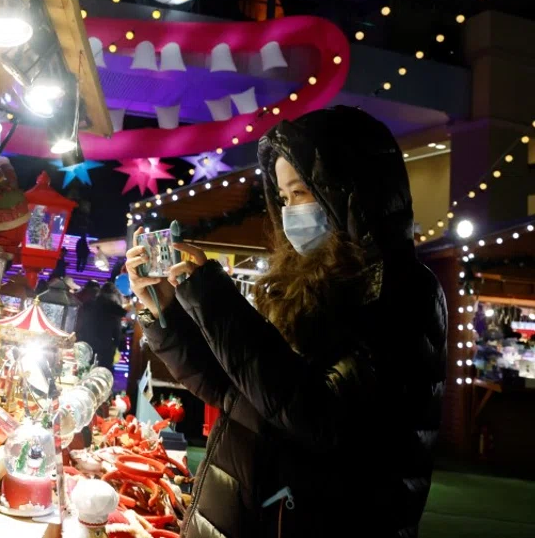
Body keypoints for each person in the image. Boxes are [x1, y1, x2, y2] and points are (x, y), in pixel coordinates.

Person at [125, 107, 446, 538]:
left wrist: (214, 299)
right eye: (283, 197)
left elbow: (316, 414)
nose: (291, 209)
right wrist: (164, 315)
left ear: (351, 189)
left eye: (303, 192)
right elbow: (237, 390)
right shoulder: (301, 284)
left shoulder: (400, 291)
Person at [75, 281, 127, 370]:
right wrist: (118, 345)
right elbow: (117, 333)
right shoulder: (114, 310)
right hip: (105, 350)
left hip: (85, 345)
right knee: (101, 375)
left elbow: (80, 324)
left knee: (83, 371)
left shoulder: (89, 305)